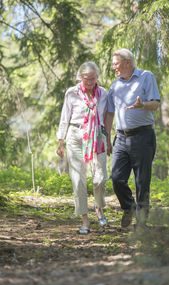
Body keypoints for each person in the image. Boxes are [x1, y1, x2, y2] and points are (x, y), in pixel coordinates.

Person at [104, 48, 160, 229]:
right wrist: (106, 137)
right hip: (120, 138)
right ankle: (129, 206)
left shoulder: (146, 77)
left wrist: (142, 105)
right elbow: (110, 113)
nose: (114, 68)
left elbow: (156, 104)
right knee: (117, 178)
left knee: (142, 181)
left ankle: (142, 223)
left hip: (143, 136)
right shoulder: (115, 85)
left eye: (116, 64)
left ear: (127, 62)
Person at [56, 61, 108, 234]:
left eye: (93, 78)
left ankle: (99, 207)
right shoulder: (72, 93)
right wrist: (60, 141)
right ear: (80, 77)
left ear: (97, 77)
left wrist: (108, 139)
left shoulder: (103, 94)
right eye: (86, 79)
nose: (90, 82)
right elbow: (65, 117)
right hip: (76, 136)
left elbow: (106, 117)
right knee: (78, 180)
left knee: (100, 178)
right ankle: (85, 219)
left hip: (97, 137)